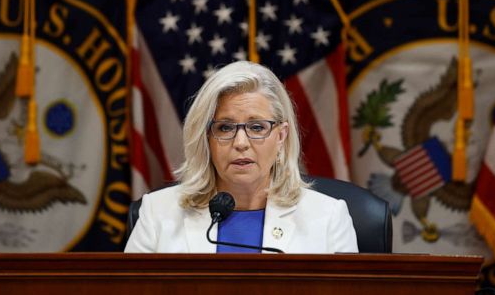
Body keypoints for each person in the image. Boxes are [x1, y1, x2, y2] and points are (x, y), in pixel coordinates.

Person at [125, 61, 357, 253]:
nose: (241, 143)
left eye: (257, 127)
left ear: (281, 136)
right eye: (225, 128)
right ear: (206, 138)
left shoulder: (328, 218)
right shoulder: (157, 213)